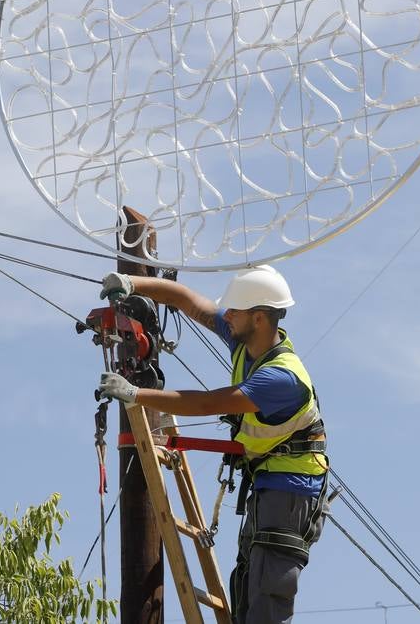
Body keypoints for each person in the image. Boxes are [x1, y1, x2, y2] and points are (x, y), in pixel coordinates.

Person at [98, 264, 328, 624]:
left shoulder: (281, 377)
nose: (226, 315)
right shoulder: (244, 336)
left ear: (259, 318)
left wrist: (135, 394)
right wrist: (131, 283)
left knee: (267, 599)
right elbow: (189, 301)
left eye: (234, 310)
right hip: (270, 484)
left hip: (291, 490)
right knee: (246, 592)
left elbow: (207, 403)